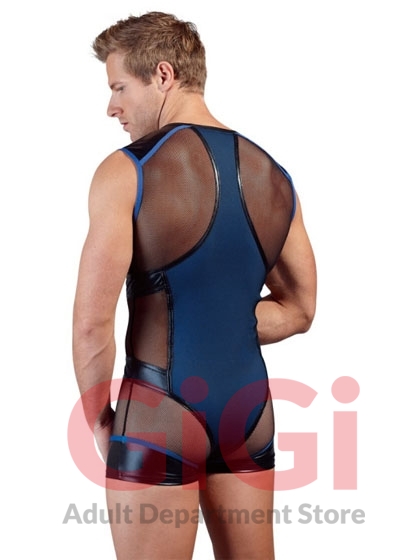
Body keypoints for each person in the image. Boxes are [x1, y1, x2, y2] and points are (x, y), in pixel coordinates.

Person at [72, 11, 317, 560]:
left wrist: (98, 422)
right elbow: (300, 309)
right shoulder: (274, 176)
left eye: (118, 87)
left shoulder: (127, 172)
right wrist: (223, 319)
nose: (111, 107)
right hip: (247, 413)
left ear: (162, 75)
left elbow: (92, 324)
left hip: (155, 413)